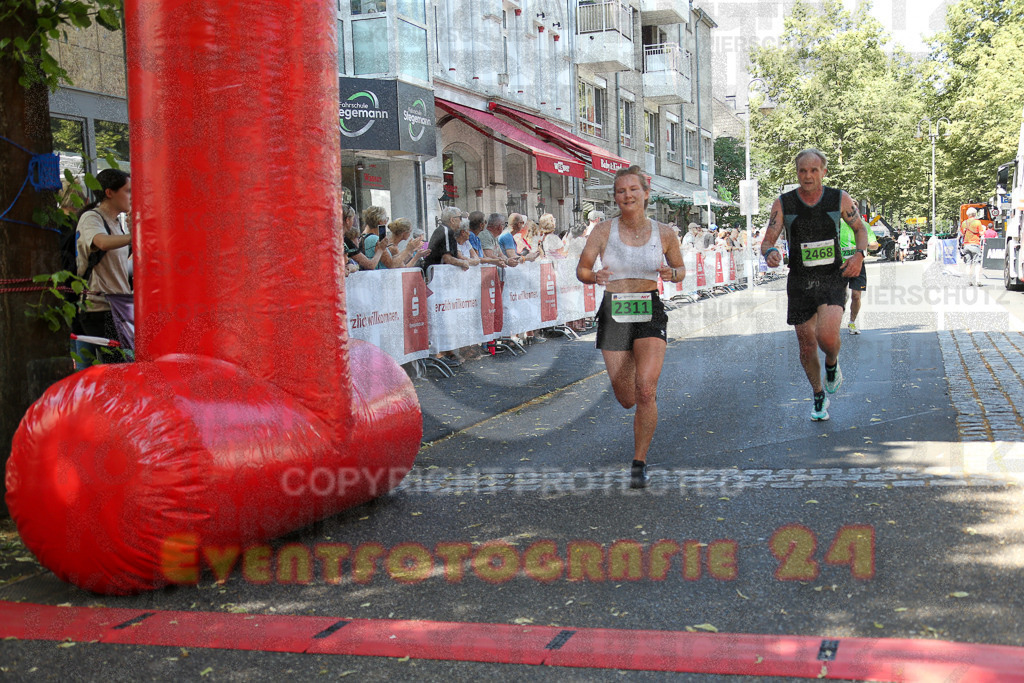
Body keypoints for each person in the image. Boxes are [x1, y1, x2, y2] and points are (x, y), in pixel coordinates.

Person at [576, 165, 685, 488]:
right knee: (626, 397)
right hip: (615, 312)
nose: (628, 195)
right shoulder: (602, 231)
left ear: (645, 193)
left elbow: (681, 269)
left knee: (646, 389)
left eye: (633, 190)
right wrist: (592, 276)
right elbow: (582, 268)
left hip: (649, 309)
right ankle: (636, 388)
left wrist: (671, 274)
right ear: (615, 197)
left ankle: (639, 462)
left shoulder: (664, 232)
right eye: (621, 191)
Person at [760, 149, 868, 422]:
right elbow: (768, 238)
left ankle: (832, 363)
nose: (808, 176)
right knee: (807, 345)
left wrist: (859, 255)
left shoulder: (838, 198)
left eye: (814, 170)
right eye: (802, 171)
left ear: (824, 172)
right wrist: (770, 252)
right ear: (797, 173)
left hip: (831, 277)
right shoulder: (783, 203)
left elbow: (861, 230)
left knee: (827, 337)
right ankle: (818, 394)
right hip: (799, 280)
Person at [74, 168, 133, 362]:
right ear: (109, 193)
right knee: (118, 367)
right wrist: (136, 236)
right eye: (127, 191)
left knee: (120, 366)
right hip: (100, 309)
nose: (132, 197)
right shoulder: (92, 218)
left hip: (120, 306)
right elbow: (101, 242)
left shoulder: (117, 222)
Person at [840, 218, 878, 335]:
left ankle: (852, 322)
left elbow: (874, 244)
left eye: (855, 208)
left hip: (858, 264)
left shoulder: (864, 225)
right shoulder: (838, 223)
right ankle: (836, 319)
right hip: (841, 264)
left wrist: (869, 245)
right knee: (841, 296)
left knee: (856, 296)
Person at [423, 206, 474, 272]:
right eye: (460, 218)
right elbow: (447, 258)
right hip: (437, 273)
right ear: (452, 220)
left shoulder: (446, 231)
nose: (461, 220)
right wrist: (462, 263)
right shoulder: (446, 231)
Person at [359, 206, 393, 270]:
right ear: (380, 221)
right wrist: (408, 250)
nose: (386, 222)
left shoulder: (365, 237)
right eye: (386, 219)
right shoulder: (375, 239)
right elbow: (390, 264)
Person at [960, 207, 984, 286]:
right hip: (975, 244)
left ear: (968, 215)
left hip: (966, 244)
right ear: (975, 214)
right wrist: (984, 231)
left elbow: (962, 233)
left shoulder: (964, 223)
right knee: (977, 263)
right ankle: (977, 280)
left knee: (968, 263)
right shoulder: (977, 222)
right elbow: (981, 233)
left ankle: (968, 280)